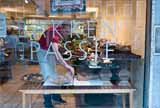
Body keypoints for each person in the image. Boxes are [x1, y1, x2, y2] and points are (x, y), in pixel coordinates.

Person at [37, 24, 74, 108]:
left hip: (48, 51)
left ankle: (56, 97)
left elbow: (54, 47)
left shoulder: (57, 31)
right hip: (42, 52)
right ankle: (47, 103)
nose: (67, 34)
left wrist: (59, 48)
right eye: (66, 31)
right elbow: (57, 53)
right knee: (47, 76)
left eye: (69, 32)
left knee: (54, 74)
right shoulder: (55, 34)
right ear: (62, 28)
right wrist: (67, 65)